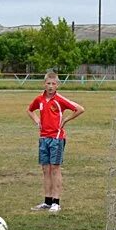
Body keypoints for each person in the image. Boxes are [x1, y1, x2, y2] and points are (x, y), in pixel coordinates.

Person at [27, 72, 84, 214]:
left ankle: (56, 202)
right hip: (43, 138)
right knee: (45, 169)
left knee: (55, 169)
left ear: (57, 85)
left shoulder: (60, 100)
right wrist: (37, 120)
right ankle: (47, 201)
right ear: (44, 84)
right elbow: (29, 110)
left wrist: (66, 120)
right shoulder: (39, 99)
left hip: (56, 138)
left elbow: (80, 109)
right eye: (48, 83)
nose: (51, 86)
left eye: (53, 84)